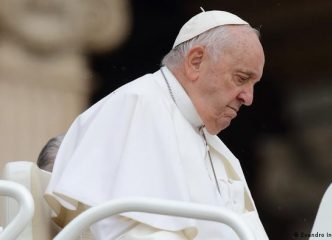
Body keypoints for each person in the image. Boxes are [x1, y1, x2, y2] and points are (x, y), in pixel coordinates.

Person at [45, 9, 268, 240]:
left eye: (254, 84)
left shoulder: (205, 137)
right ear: (195, 61)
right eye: (241, 78)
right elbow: (132, 232)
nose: (248, 98)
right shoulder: (136, 106)